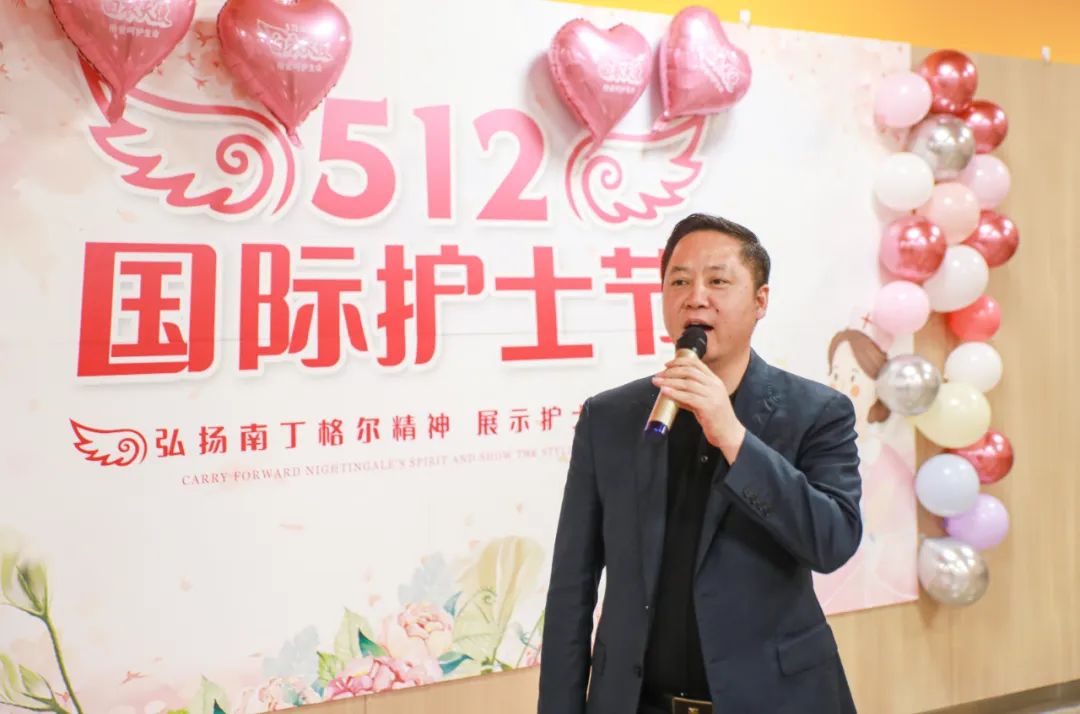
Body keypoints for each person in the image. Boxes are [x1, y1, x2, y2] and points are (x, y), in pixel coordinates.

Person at [537, 213, 862, 714]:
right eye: (680, 282)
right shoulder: (609, 418)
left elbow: (832, 542)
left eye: (718, 281)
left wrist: (733, 437)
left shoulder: (816, 412)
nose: (695, 297)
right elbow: (571, 587)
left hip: (775, 701)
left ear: (760, 301)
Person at [814, 329, 917, 613]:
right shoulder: (818, 447)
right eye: (835, 374)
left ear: (878, 387)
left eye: (853, 378)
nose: (840, 387)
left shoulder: (884, 464)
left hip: (856, 583)